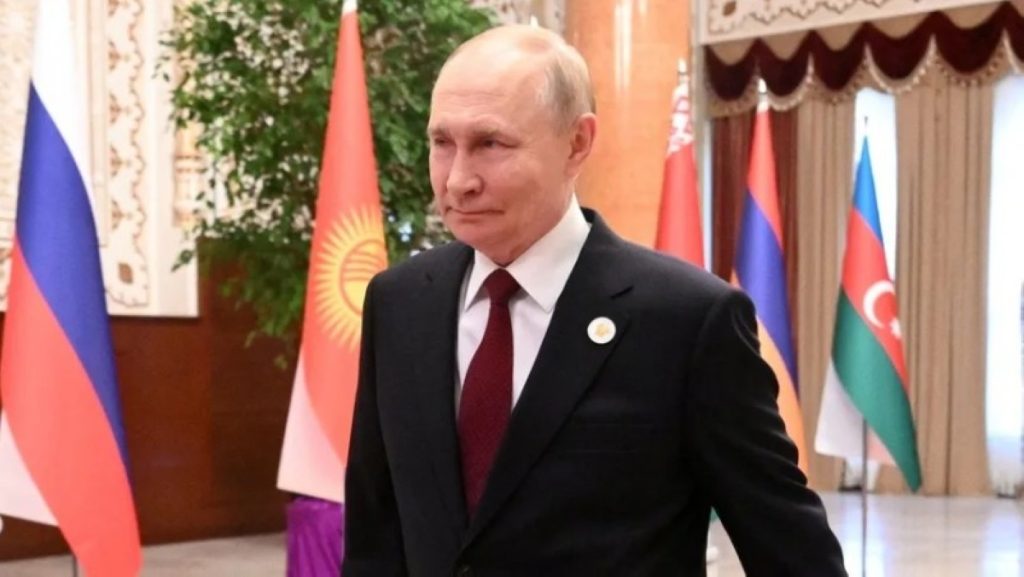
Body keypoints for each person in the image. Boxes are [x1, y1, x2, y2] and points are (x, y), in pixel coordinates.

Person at [343, 24, 847, 577]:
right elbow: (375, 538)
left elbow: (792, 552)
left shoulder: (686, 321)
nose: (458, 180)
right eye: (442, 143)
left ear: (577, 143)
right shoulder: (399, 305)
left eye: (491, 144)